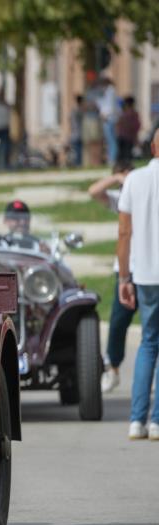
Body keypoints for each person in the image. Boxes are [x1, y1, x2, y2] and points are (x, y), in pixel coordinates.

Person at [117, 128, 159, 440]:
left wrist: (123, 277)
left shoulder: (134, 179)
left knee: (148, 343)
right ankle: (156, 421)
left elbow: (124, 233)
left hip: (144, 274)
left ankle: (136, 420)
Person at [90, 161, 135, 392]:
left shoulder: (146, 193)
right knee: (118, 321)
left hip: (148, 266)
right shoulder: (119, 199)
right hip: (126, 267)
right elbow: (93, 192)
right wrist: (117, 179)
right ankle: (113, 367)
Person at [97, 78, 120, 165]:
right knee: (110, 140)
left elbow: (110, 106)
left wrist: (105, 115)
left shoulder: (110, 91)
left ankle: (112, 159)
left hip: (109, 119)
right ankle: (111, 158)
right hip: (108, 118)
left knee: (111, 140)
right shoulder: (108, 91)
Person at [116, 96, 141, 163]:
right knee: (127, 155)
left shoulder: (124, 113)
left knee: (124, 154)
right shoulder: (133, 113)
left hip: (124, 137)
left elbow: (119, 124)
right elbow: (137, 126)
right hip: (128, 137)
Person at [69, 95, 84, 167]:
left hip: (74, 133)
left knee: (76, 151)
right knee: (78, 151)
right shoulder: (79, 111)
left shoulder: (73, 111)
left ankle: (77, 164)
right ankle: (78, 164)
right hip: (78, 134)